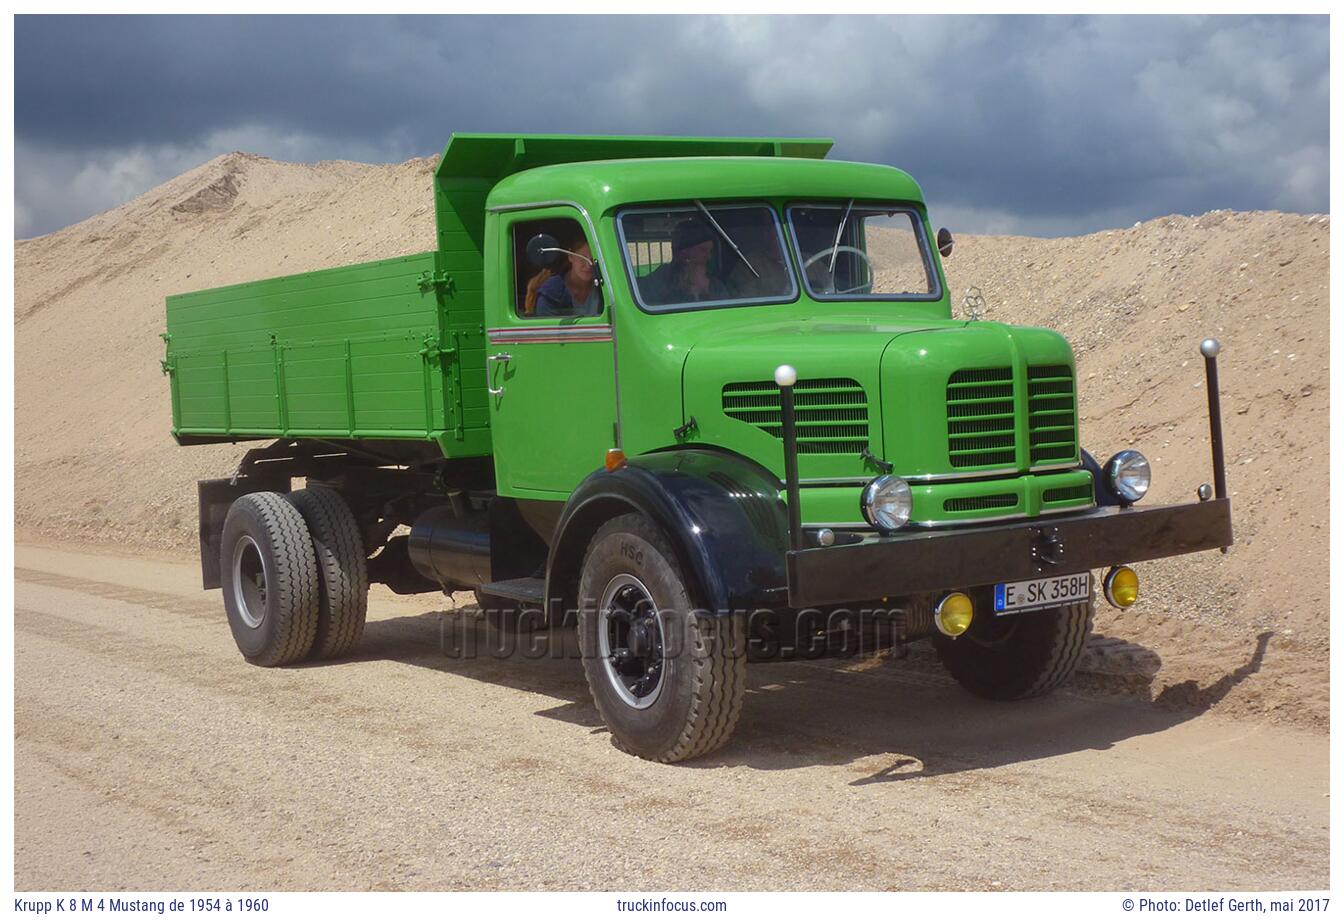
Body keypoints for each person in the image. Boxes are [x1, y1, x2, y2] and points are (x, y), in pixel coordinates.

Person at [640, 218, 730, 306]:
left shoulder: (715, 285)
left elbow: (726, 311)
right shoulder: (662, 277)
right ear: (684, 251)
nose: (708, 257)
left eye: (710, 251)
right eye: (703, 250)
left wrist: (706, 288)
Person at [524, 232, 602, 317]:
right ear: (570, 256)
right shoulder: (551, 294)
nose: (589, 265)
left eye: (593, 258)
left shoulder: (606, 287)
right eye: (582, 258)